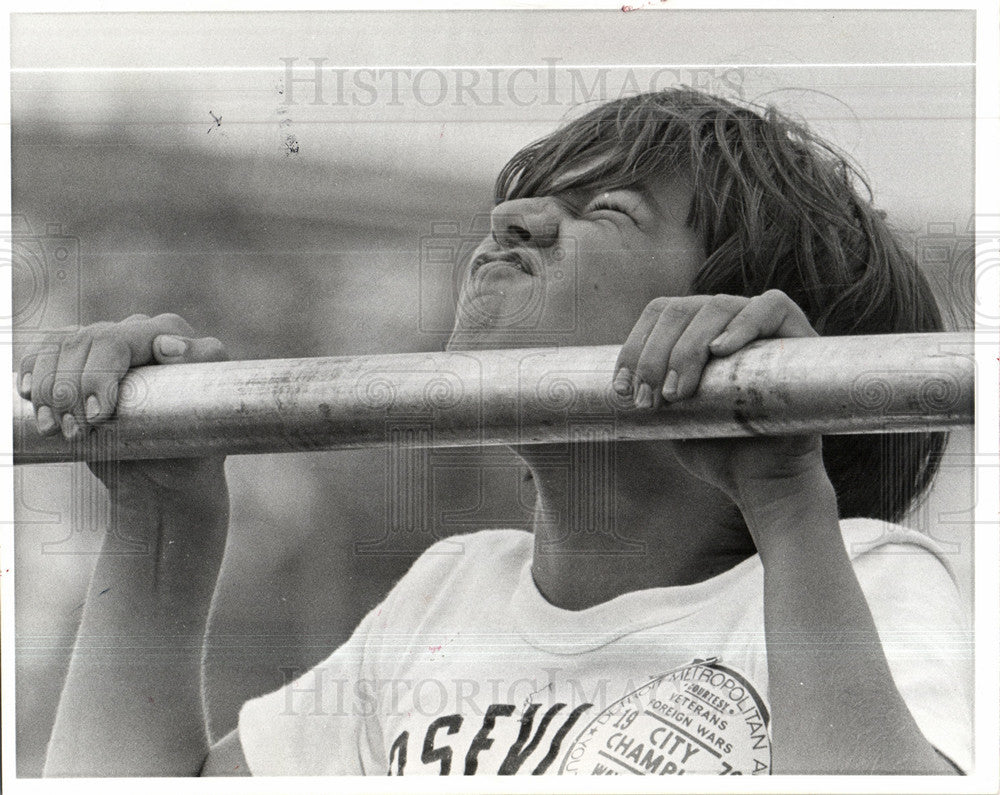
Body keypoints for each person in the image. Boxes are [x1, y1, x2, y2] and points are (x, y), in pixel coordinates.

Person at [23, 88, 970, 777]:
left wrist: (788, 501)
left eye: (604, 210)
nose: (511, 220)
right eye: (528, 196)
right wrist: (160, 528)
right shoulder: (446, 599)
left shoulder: (867, 573)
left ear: (740, 316)